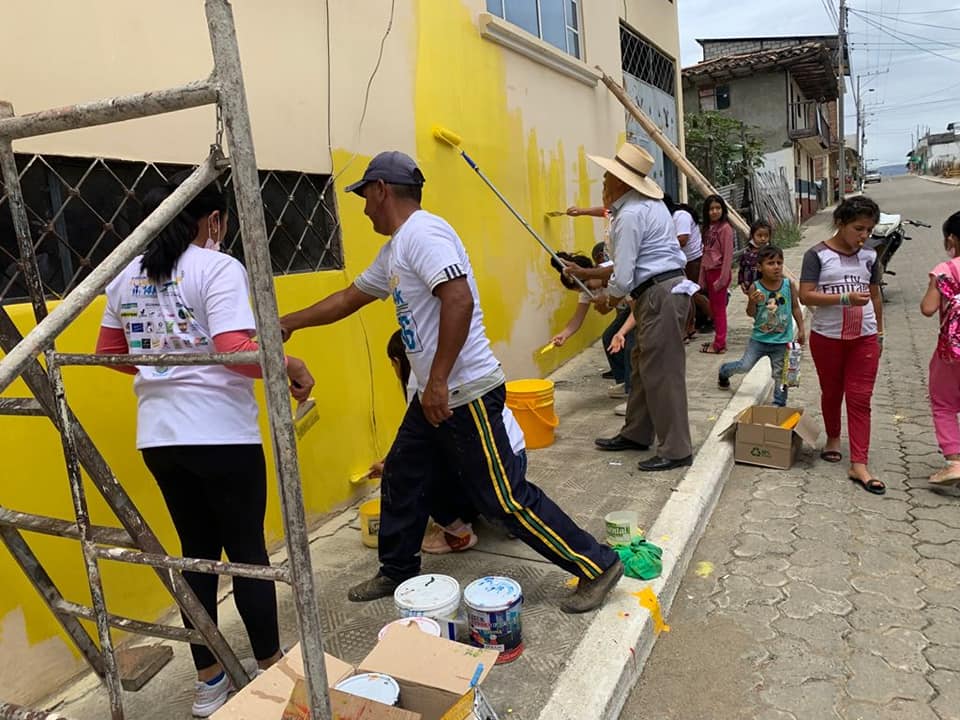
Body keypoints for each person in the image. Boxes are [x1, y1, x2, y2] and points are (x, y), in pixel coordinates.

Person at [279, 151, 622, 612]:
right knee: (403, 474)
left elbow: (457, 300)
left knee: (503, 499)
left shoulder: (425, 233)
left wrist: (437, 380)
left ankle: (596, 564)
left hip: (465, 391)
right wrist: (289, 322)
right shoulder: (397, 247)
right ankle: (398, 569)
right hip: (436, 395)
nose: (362, 209)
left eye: (364, 196)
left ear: (381, 189)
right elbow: (348, 299)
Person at [96, 172, 315, 717]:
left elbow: (109, 352)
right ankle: (272, 671)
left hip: (161, 438)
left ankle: (209, 682)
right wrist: (287, 362)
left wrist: (161, 367)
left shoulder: (125, 277)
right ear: (211, 220)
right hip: (222, 433)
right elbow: (236, 351)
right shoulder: (218, 267)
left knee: (195, 554)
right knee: (247, 554)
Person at [590, 143, 693, 471]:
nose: (604, 181)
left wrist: (608, 299)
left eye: (608, 176)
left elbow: (623, 275)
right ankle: (637, 432)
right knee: (642, 365)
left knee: (663, 372)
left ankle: (676, 449)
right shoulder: (648, 206)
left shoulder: (630, 215)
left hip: (658, 294)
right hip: (661, 291)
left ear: (621, 182)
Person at [799, 195, 884, 495]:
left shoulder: (871, 256)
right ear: (840, 224)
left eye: (869, 231)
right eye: (858, 228)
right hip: (827, 337)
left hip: (864, 337)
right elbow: (805, 296)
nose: (864, 236)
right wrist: (843, 299)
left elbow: (875, 296)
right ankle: (833, 438)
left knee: (860, 398)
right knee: (832, 391)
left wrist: (881, 334)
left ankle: (859, 462)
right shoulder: (817, 255)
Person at [374, 330, 481, 553]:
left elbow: (425, 449)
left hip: (474, 471)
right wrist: (391, 458)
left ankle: (458, 532)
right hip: (507, 463)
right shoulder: (454, 363)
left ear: (397, 361)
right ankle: (496, 512)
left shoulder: (422, 384)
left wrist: (390, 467)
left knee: (413, 474)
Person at [718, 245, 805, 406]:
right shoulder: (755, 287)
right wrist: (753, 300)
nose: (776, 267)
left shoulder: (788, 285)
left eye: (779, 263)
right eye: (771, 263)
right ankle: (724, 371)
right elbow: (751, 313)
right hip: (759, 339)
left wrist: (801, 328)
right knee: (745, 365)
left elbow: (795, 307)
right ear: (760, 267)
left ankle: (779, 403)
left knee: (781, 375)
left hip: (782, 341)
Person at [548, 247, 633, 402]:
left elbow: (627, 301)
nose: (588, 290)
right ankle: (624, 382)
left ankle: (633, 388)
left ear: (589, 271)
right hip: (625, 310)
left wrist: (606, 302)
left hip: (637, 305)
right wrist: (563, 335)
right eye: (581, 290)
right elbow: (577, 319)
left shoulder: (611, 270)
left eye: (587, 284)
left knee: (629, 344)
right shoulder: (587, 290)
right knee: (609, 338)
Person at [919, 210, 960, 486]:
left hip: (952, 353)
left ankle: (956, 463)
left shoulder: (946, 270)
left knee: (944, 404)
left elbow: (927, 308)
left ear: (952, 239)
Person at [663, 193, 707, 341]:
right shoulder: (673, 217)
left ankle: (714, 318)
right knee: (688, 296)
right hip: (682, 261)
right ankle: (689, 328)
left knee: (691, 295)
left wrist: (661, 244)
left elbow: (683, 240)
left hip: (692, 261)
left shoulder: (680, 216)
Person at [699, 194, 735, 354]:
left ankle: (719, 344)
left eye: (717, 208)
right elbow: (705, 252)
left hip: (719, 272)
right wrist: (701, 277)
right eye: (711, 209)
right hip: (708, 271)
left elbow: (728, 255)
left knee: (719, 310)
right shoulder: (707, 229)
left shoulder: (725, 229)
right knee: (714, 309)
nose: (714, 212)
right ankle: (719, 340)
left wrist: (723, 278)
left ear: (723, 209)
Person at [738, 220, 772, 294]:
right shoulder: (746, 253)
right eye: (759, 235)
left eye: (766, 236)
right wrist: (741, 282)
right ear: (753, 235)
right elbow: (741, 269)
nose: (763, 238)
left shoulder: (770, 253)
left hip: (767, 287)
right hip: (750, 287)